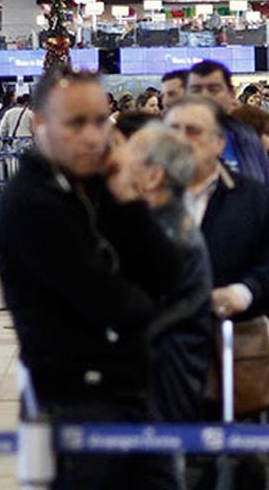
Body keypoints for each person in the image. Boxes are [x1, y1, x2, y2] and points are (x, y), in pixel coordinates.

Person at [0, 66, 182, 489]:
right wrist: (145, 305)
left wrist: (128, 197)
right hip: (71, 400)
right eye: (76, 123)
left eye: (100, 121)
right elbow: (111, 302)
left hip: (129, 389)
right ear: (41, 124)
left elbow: (167, 270)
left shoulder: (95, 187)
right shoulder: (32, 203)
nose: (93, 136)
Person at [110, 121, 214, 425]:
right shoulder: (157, 224)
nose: (117, 159)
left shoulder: (164, 237)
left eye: (129, 152)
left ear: (153, 176)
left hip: (161, 379)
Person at [164, 97, 269, 325]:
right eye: (173, 131)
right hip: (160, 341)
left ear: (219, 142)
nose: (181, 140)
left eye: (193, 131)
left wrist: (243, 293)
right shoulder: (143, 197)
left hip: (233, 334)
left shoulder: (252, 198)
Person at [187, 60, 269, 188]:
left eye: (213, 89)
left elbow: (268, 192)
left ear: (231, 94)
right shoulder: (172, 142)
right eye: (196, 90)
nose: (204, 96)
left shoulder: (247, 139)